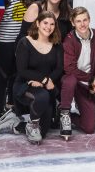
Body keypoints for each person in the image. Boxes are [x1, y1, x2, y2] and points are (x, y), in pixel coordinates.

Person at [14, 11, 64, 145]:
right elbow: (22, 70)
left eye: (52, 24)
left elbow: (59, 69)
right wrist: (44, 80)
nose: (49, 27)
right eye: (45, 23)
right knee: (42, 97)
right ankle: (32, 125)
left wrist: (45, 82)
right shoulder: (25, 42)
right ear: (37, 23)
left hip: (46, 87)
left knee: (43, 131)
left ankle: (17, 124)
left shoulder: (57, 44)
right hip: (25, 84)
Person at [59, 7, 95, 138]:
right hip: (72, 80)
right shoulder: (69, 40)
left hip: (87, 83)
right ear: (73, 23)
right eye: (78, 21)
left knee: (90, 127)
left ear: (89, 20)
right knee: (70, 79)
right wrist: (90, 80)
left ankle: (69, 116)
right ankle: (65, 114)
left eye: (85, 20)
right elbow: (69, 69)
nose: (82, 24)